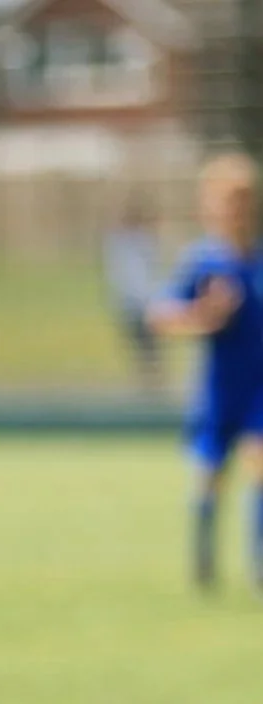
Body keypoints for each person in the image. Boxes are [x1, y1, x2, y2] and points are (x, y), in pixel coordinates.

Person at [150, 153, 263, 591]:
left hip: (259, 387)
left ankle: (257, 566)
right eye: (228, 201)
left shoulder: (257, 262)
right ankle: (204, 563)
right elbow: (159, 315)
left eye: (244, 201)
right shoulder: (202, 262)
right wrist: (203, 314)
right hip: (220, 388)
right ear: (210, 207)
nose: (237, 210)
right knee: (211, 475)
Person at [105, 198, 162, 391]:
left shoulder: (141, 240)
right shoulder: (119, 242)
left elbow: (148, 271)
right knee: (140, 345)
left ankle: (151, 381)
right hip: (131, 303)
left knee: (149, 346)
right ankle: (146, 381)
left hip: (143, 302)